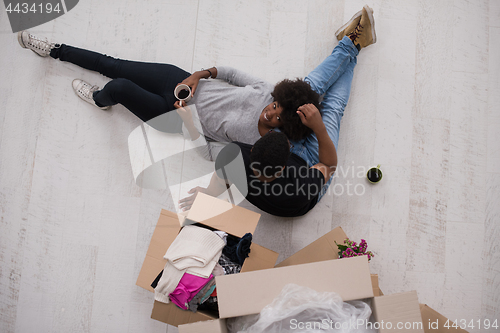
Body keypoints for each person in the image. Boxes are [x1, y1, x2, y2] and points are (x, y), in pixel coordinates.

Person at [179, 6, 376, 217]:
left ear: (253, 149)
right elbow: (328, 165)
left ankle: (350, 44)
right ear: (284, 166)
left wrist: (208, 195)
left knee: (303, 95)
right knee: (332, 109)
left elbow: (219, 176)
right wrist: (318, 128)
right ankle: (352, 45)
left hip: (273, 162)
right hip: (312, 164)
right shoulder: (300, 190)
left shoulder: (236, 155)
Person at [17, 30, 320, 160]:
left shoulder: (262, 145)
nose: (270, 112)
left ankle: (100, 100)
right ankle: (55, 50)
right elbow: (230, 73)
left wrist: (187, 122)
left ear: (284, 129)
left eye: (278, 117)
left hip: (175, 118)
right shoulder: (264, 90)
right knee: (112, 64)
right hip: (179, 83)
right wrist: (199, 75)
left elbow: (208, 154)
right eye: (275, 104)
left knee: (119, 87)